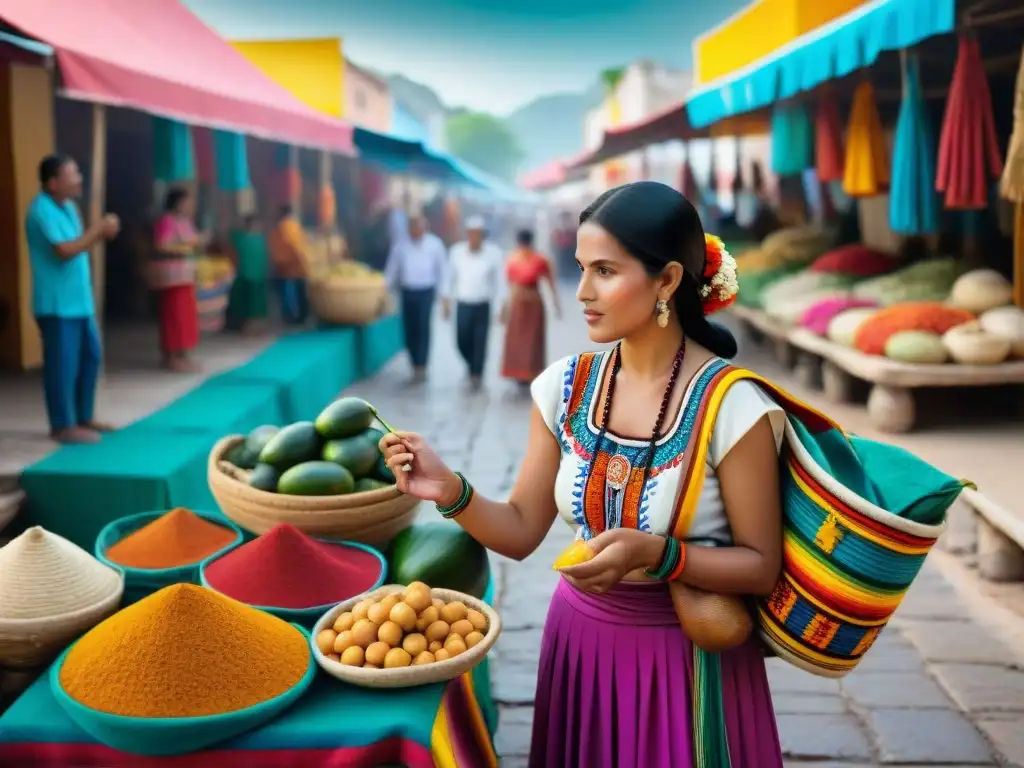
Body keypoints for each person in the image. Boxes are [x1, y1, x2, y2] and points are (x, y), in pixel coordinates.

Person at [380, 181, 784, 767]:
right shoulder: (564, 387)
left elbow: (760, 564)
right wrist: (451, 490)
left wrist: (659, 553)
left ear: (668, 280)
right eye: (580, 268)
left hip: (687, 656)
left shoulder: (733, 405)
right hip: (580, 642)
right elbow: (521, 530)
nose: (583, 293)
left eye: (605, 271)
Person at [26, 154, 120, 444]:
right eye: (72, 174)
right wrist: (98, 230)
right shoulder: (40, 210)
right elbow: (65, 250)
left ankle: (83, 416)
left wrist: (101, 234)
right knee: (62, 365)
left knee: (90, 357)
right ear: (53, 183)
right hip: (56, 304)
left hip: (78, 301)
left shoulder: (69, 207)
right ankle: (62, 424)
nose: (79, 179)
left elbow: (81, 244)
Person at [441, 216, 505, 390]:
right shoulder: (456, 252)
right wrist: (445, 301)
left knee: (480, 341)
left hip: (482, 305)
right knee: (462, 340)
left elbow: (500, 284)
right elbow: (448, 279)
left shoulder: (494, 254)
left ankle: (477, 374)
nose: (474, 238)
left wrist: (500, 308)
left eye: (478, 234)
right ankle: (471, 364)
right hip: (463, 304)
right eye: (471, 234)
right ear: (467, 235)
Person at [384, 215, 447, 384]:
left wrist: (444, 295)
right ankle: (413, 362)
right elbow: (392, 269)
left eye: (419, 227)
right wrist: (385, 289)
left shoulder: (435, 244)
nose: (415, 231)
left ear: (425, 227)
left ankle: (422, 365)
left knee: (423, 326)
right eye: (412, 227)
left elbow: (442, 270)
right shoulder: (400, 245)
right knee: (409, 328)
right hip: (408, 291)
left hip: (426, 290)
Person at [500, 229, 561, 387]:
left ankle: (528, 372)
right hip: (525, 303)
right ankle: (520, 373)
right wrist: (555, 305)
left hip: (526, 304)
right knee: (519, 340)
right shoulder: (535, 259)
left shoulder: (522, 259)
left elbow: (511, 287)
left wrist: (505, 308)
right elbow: (551, 285)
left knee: (531, 340)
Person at [153, 187, 204, 372]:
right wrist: (182, 248)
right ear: (177, 202)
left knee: (186, 316)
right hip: (172, 278)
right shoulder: (167, 221)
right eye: (187, 201)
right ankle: (171, 356)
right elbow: (161, 245)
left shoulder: (186, 222)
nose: (191, 205)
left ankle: (183, 355)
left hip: (186, 276)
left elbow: (194, 242)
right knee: (173, 316)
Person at [225, 214, 270, 334]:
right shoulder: (247, 238)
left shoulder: (256, 239)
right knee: (251, 305)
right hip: (248, 276)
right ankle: (250, 327)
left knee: (255, 305)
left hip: (254, 276)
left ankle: (255, 327)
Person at [268, 205, 310, 326]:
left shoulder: (285, 226)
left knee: (288, 292)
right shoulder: (295, 225)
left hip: (288, 264)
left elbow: (291, 245)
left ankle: (292, 316)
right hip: (296, 264)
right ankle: (301, 316)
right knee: (299, 290)